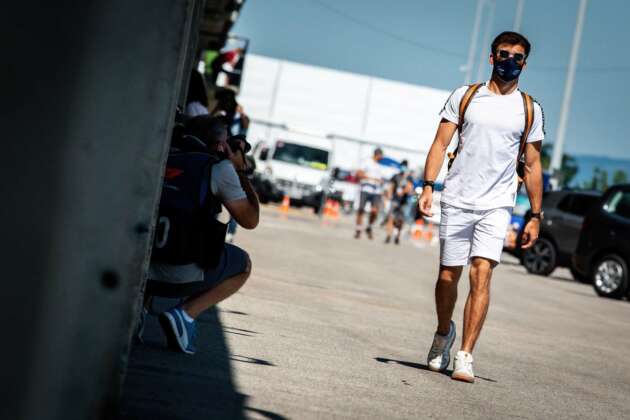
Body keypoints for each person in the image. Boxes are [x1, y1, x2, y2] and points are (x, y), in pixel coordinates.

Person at [418, 31, 544, 382]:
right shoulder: (466, 96)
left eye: (517, 57)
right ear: (491, 57)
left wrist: (535, 215)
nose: (509, 61)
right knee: (447, 276)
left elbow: (533, 165)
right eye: (503, 54)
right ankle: (444, 332)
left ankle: (465, 355)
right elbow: (440, 144)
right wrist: (428, 186)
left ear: (524, 64)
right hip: (457, 198)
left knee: (482, 273)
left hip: (497, 204)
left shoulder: (529, 109)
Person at [148, 115, 260, 355]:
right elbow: (250, 220)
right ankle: (185, 314)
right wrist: (241, 171)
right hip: (179, 276)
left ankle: (141, 310)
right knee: (243, 264)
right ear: (221, 146)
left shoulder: (160, 153)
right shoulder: (218, 168)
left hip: (139, 269)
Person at [355, 148, 386, 239]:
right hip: (365, 189)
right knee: (361, 209)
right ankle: (358, 229)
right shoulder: (367, 162)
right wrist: (371, 178)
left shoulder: (380, 165)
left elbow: (382, 179)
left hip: (376, 191)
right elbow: (358, 174)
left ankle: (369, 227)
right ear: (377, 155)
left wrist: (381, 182)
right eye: (381, 156)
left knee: (374, 211)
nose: (382, 158)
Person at [384, 160, 414, 245]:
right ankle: (388, 235)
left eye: (404, 166)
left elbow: (409, 187)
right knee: (391, 218)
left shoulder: (409, 177)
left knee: (400, 220)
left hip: (404, 201)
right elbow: (391, 186)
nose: (403, 168)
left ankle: (397, 235)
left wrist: (403, 191)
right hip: (395, 200)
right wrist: (389, 194)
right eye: (402, 166)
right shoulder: (396, 176)